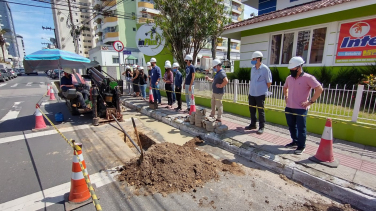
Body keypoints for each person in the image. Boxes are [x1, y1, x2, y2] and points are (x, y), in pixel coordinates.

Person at [283, 56, 323, 155]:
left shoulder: (308, 78)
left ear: (299, 67)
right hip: (289, 107)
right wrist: (286, 96)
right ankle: (295, 141)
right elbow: (285, 88)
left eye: (293, 68)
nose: (291, 70)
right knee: (291, 126)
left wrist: (310, 101)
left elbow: (319, 89)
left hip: (301, 109)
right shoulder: (289, 78)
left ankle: (301, 146)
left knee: (301, 128)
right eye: (290, 68)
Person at [245, 51, 272, 134]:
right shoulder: (252, 69)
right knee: (252, 110)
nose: (252, 60)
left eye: (254, 59)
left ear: (258, 59)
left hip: (260, 94)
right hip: (252, 93)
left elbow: (269, 82)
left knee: (261, 111)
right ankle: (253, 124)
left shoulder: (265, 69)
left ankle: (261, 127)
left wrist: (263, 90)